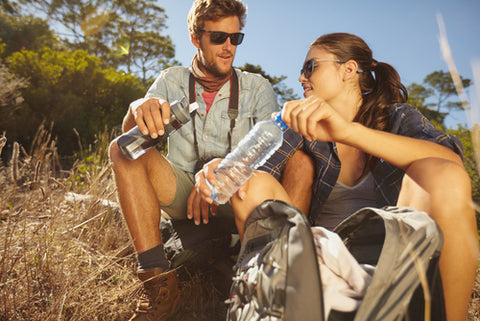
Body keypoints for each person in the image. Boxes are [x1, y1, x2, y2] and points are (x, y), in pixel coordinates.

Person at [194, 33, 478, 321]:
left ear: (348, 70)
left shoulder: (397, 118)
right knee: (250, 186)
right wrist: (222, 170)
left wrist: (347, 132)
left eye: (311, 67)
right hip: (317, 261)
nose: (302, 78)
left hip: (393, 263)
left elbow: (450, 162)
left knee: (440, 173)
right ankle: (284, 305)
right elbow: (250, 183)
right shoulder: (297, 124)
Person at [107, 1, 314, 320]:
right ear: (195, 37)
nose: (229, 47)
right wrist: (138, 108)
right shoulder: (170, 78)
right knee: (123, 149)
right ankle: (158, 286)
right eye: (218, 37)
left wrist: (218, 179)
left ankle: (278, 279)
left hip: (239, 189)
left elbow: (277, 150)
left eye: (236, 38)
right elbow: (132, 139)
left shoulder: (256, 86)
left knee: (300, 162)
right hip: (180, 195)